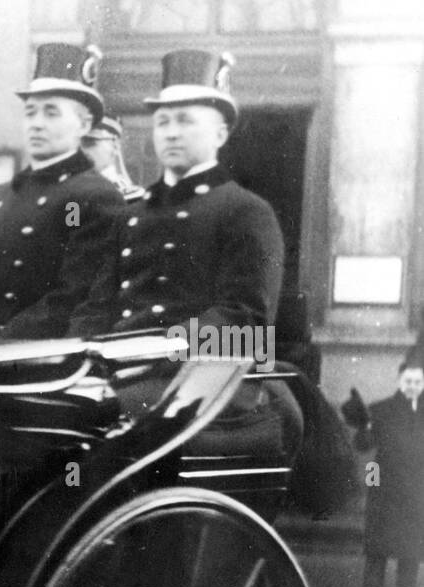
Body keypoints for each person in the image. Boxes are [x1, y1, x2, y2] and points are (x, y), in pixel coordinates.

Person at [67, 49, 301, 459]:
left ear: (220, 135)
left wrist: (156, 349)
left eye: (185, 121)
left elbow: (245, 318)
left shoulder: (246, 211)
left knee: (90, 427)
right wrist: (74, 357)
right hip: (120, 373)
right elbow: (97, 305)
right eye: (162, 122)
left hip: (205, 379)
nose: (171, 133)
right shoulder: (131, 215)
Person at [0, 43, 124, 341]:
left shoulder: (84, 198)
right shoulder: (0, 195)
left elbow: (73, 294)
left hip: (31, 360)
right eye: (30, 113)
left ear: (83, 124)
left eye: (51, 113)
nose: (36, 124)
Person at [344, 352, 424, 587]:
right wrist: (373, 485)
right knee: (377, 549)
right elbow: (364, 448)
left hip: (417, 492)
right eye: (408, 381)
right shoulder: (381, 410)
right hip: (386, 491)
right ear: (400, 381)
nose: (412, 386)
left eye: (417, 381)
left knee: (411, 549)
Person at [81, 116, 144, 203]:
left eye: (89, 143)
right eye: (76, 145)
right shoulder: (66, 192)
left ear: (115, 144)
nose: (81, 151)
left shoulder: (133, 198)